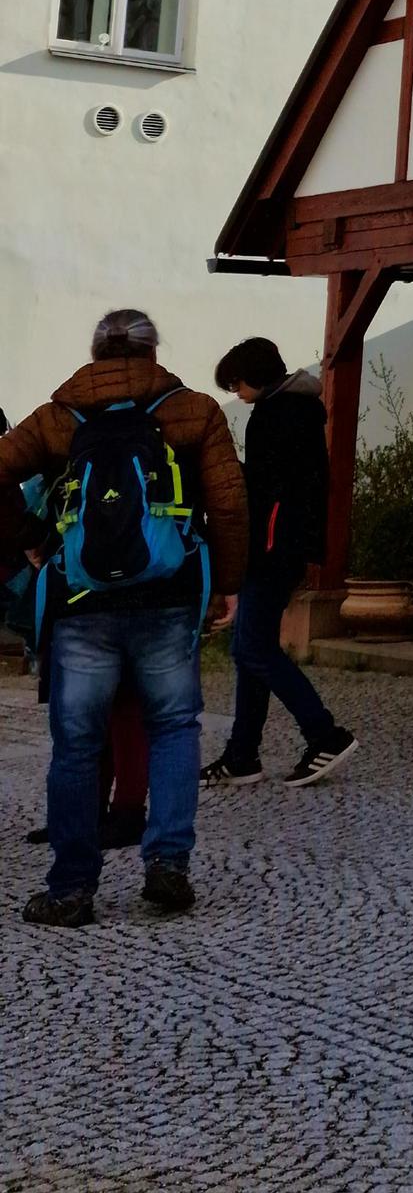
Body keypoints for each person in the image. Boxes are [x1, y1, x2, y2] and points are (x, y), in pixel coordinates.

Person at [0, 308, 245, 925]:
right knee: (173, 727)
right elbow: (230, 504)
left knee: (76, 744)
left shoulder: (59, 415)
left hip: (81, 603)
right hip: (167, 595)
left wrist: (32, 538)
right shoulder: (193, 411)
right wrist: (226, 587)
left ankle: (72, 890)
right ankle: (166, 865)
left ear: (96, 351)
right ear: (151, 349)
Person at [205, 338, 356, 789]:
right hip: (284, 546)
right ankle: (241, 755)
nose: (235, 392)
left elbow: (270, 489)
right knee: (248, 649)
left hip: (272, 548)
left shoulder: (276, 415)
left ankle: (324, 734)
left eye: (235, 382)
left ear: (254, 375)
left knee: (253, 648)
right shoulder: (297, 408)